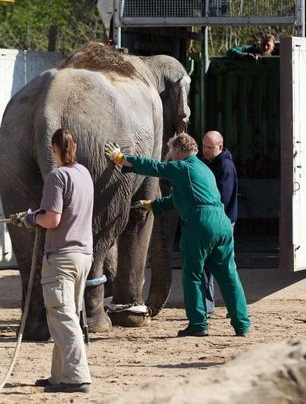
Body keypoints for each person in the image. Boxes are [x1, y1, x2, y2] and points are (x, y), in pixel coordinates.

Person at [104, 133, 250, 337]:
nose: (170, 157)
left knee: (192, 275)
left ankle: (198, 324)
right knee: (229, 276)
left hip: (201, 223)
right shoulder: (204, 169)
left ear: (179, 151)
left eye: (172, 153)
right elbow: (180, 198)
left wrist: (123, 159)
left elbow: (155, 167)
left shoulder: (183, 167)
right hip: (222, 222)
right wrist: (152, 205)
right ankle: (242, 324)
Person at [11, 128, 93, 394]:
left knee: (62, 316)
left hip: (61, 258)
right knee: (65, 315)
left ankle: (77, 377)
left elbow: (52, 219)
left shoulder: (57, 177)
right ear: (76, 148)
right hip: (83, 256)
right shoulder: (84, 174)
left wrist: (31, 218)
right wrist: (37, 214)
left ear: (53, 150)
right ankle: (59, 375)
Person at [200, 131, 239, 317]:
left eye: (210, 147)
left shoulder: (224, 166)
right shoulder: (212, 164)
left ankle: (234, 308)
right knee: (209, 267)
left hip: (222, 224)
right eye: (204, 147)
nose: (206, 151)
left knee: (224, 268)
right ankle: (209, 307)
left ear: (220, 147)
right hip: (217, 223)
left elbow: (222, 198)